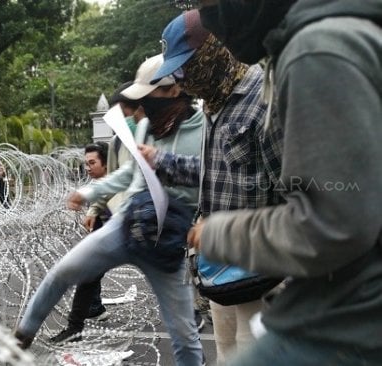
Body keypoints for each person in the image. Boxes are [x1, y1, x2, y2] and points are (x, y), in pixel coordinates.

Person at [187, 1, 382, 365]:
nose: (211, 18)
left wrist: (219, 234)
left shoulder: (315, 51)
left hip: (352, 306)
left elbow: (331, 219)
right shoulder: (317, 41)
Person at [15, 55, 205, 366]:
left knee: (184, 334)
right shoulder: (147, 127)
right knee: (62, 272)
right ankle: (21, 338)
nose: (143, 105)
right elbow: (130, 173)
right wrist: (88, 192)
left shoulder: (204, 130)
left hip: (167, 238)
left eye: (148, 96)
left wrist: (164, 163)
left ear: (174, 90)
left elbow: (212, 175)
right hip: (126, 223)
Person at [141, 10, 284, 364]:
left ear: (213, 51)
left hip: (262, 275)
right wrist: (161, 162)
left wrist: (223, 228)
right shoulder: (214, 103)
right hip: (221, 274)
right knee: (225, 356)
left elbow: (299, 196)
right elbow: (216, 173)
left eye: (183, 68)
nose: (181, 81)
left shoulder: (264, 101)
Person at [49, 142, 111, 344]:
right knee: (88, 277)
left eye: (92, 163)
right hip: (108, 233)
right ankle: (81, 322)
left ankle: (191, 315)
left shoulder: (119, 181)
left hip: (131, 235)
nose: (88, 167)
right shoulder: (98, 183)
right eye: (86, 163)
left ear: (107, 163)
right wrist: (92, 211)